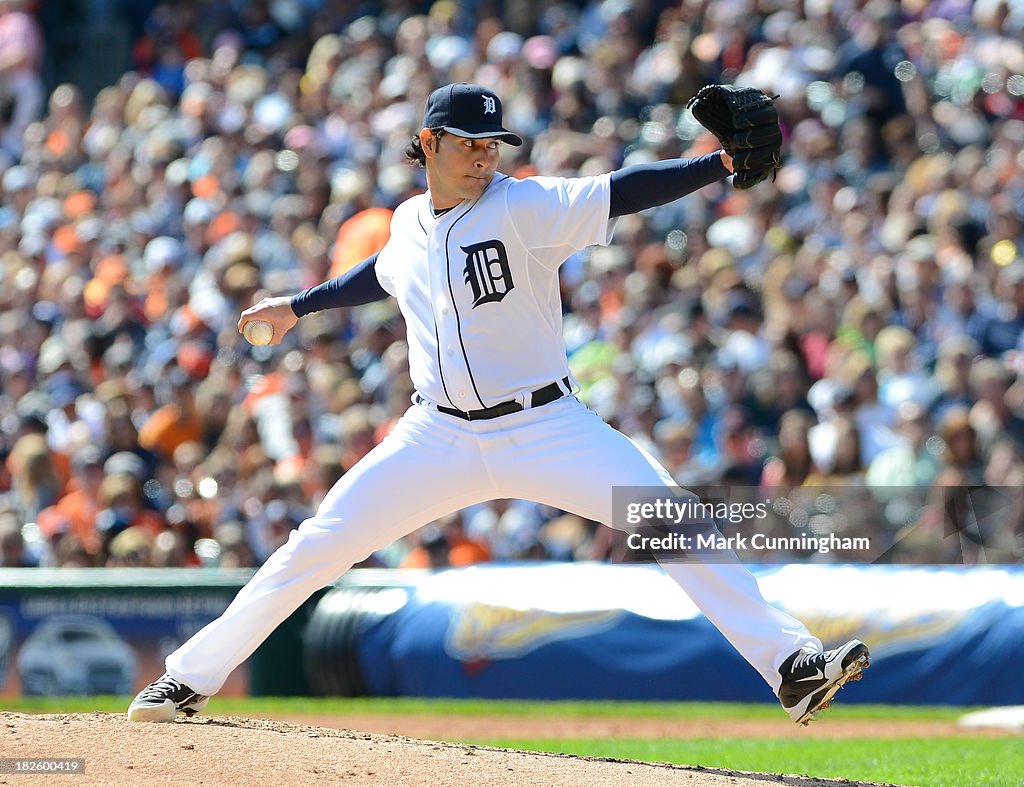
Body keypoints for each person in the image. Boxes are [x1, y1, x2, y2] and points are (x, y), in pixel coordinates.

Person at [128, 83, 869, 726]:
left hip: (546, 424)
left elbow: (625, 188)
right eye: (469, 143)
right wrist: (299, 304)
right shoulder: (406, 225)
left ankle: (794, 665)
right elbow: (380, 274)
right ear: (427, 142)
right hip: (436, 436)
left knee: (672, 519)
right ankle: (190, 675)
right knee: (316, 546)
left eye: (493, 142)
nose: (485, 155)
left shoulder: (524, 206)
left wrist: (719, 164)